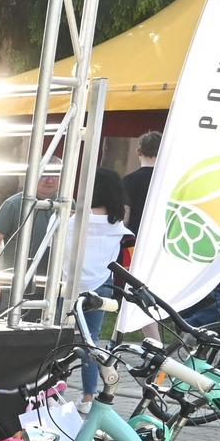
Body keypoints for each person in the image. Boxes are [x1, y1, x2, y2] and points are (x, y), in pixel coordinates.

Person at [76, 166, 130, 395]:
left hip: (69, 284)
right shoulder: (117, 224)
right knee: (91, 341)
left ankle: (52, 392)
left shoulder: (75, 219)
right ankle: (89, 396)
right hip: (102, 283)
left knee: (58, 340)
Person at [0, 169, 61, 309]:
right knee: (6, 322)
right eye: (44, 174)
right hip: (12, 285)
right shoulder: (13, 204)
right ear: (34, 174)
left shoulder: (68, 206)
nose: (49, 180)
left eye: (55, 175)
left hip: (52, 286)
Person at [122, 131, 159, 229]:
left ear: (138, 151)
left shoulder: (128, 181)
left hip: (135, 234)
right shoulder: (167, 180)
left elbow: (125, 218)